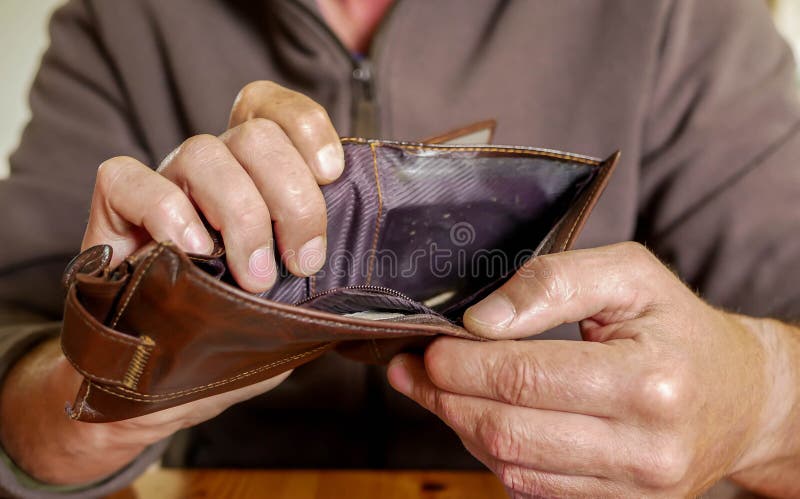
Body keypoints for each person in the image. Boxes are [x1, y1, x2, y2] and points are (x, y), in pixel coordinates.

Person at [0, 0, 798, 497]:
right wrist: (102, 382)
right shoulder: (119, 23)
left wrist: (759, 402)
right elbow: (16, 358)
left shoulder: (678, 15)